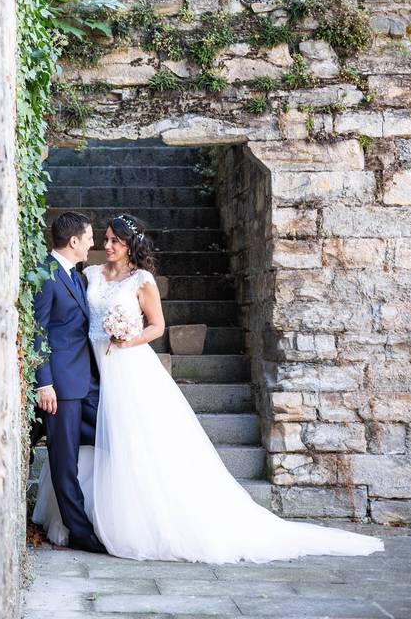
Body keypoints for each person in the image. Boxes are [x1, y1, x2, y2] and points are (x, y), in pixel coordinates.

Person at [33, 214, 384, 563]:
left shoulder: (141, 280)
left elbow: (156, 326)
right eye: (102, 238)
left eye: (113, 240)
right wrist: (48, 378)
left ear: (130, 245)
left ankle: (137, 518)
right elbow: (63, 325)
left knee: (135, 443)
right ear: (76, 241)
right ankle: (85, 520)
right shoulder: (87, 276)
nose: (104, 245)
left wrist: (128, 338)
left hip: (123, 367)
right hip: (89, 374)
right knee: (89, 445)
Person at [32, 211, 106, 554]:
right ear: (73, 241)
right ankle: (80, 532)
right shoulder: (47, 276)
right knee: (65, 463)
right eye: (89, 237)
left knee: (116, 439)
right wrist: (43, 383)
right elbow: (38, 332)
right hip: (61, 388)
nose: (93, 243)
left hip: (86, 383)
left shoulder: (76, 277)